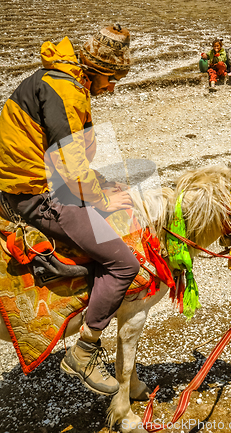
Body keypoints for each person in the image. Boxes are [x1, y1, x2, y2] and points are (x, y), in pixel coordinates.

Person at [0, 24, 141, 397]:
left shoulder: (62, 79)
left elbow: (65, 156)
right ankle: (85, 351)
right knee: (125, 264)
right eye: (112, 78)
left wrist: (102, 184)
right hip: (35, 197)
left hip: (38, 183)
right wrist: (101, 199)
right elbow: (70, 166)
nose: (112, 87)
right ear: (96, 69)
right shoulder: (65, 89)